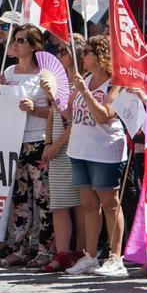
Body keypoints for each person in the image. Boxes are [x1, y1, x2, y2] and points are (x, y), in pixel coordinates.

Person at [64, 36, 130, 278]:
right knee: (89, 204)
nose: (83, 56)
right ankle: (90, 256)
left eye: (88, 52)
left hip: (105, 149)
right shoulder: (87, 79)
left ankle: (115, 257)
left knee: (110, 203)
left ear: (101, 55)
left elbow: (104, 116)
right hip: (80, 148)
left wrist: (85, 92)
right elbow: (70, 114)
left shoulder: (117, 83)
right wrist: (53, 94)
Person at [0, 26, 54, 268]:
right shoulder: (8, 71)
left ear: (33, 46)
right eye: (14, 40)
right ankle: (18, 248)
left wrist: (34, 109)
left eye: (21, 40)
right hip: (14, 140)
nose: (15, 45)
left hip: (37, 140)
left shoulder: (44, 75)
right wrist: (0, 90)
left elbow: (56, 111)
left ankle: (45, 250)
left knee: (42, 199)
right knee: (19, 199)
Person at [40, 34, 85, 273]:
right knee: (59, 203)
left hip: (71, 145)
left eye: (64, 52)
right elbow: (52, 115)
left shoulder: (79, 83)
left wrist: (56, 145)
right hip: (57, 144)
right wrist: (48, 142)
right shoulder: (61, 82)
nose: (59, 56)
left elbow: (72, 120)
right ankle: (63, 252)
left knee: (77, 203)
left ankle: (78, 251)